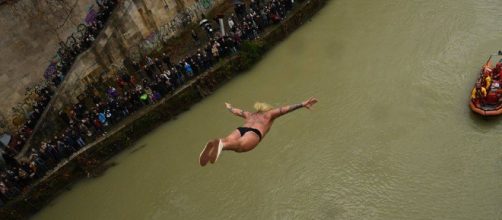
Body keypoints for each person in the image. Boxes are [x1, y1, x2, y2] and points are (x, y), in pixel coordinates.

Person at [199, 97, 318, 166]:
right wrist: (302, 104)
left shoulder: (249, 115)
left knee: (229, 140)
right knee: (240, 147)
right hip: (255, 132)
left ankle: (221, 144)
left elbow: (236, 111)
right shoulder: (269, 114)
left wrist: (229, 107)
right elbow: (284, 110)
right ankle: (221, 145)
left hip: (241, 129)